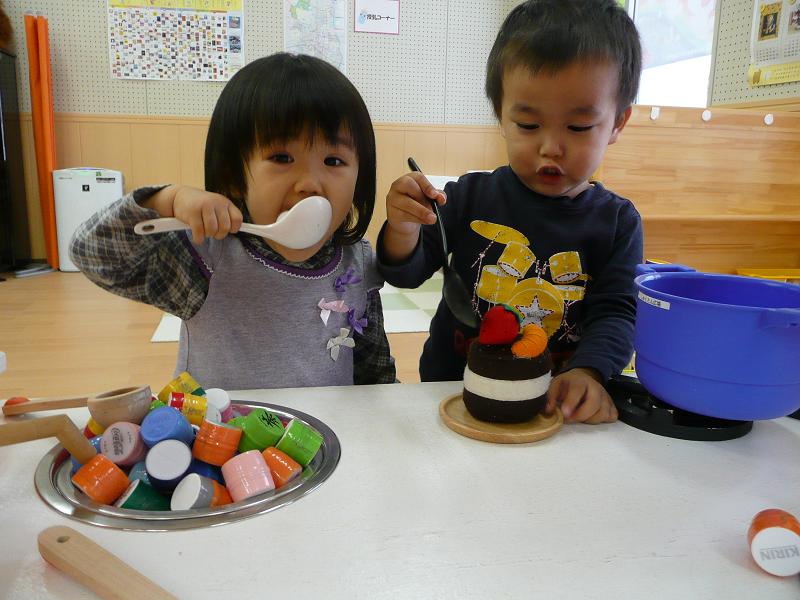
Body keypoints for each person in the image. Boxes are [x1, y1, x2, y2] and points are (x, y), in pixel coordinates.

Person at [377, 0, 642, 424]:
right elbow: (404, 273)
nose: (550, 146)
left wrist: (589, 371)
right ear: (501, 115)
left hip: (555, 404)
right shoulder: (467, 197)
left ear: (617, 123)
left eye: (577, 127)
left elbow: (616, 312)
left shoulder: (618, 224)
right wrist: (404, 226)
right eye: (528, 125)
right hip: (452, 390)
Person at [71, 53, 395, 390]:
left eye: (333, 160)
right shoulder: (205, 257)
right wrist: (167, 199)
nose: (310, 183)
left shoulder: (356, 263)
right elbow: (93, 255)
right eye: (282, 158)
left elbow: (374, 371)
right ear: (234, 175)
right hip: (219, 437)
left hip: (323, 438)